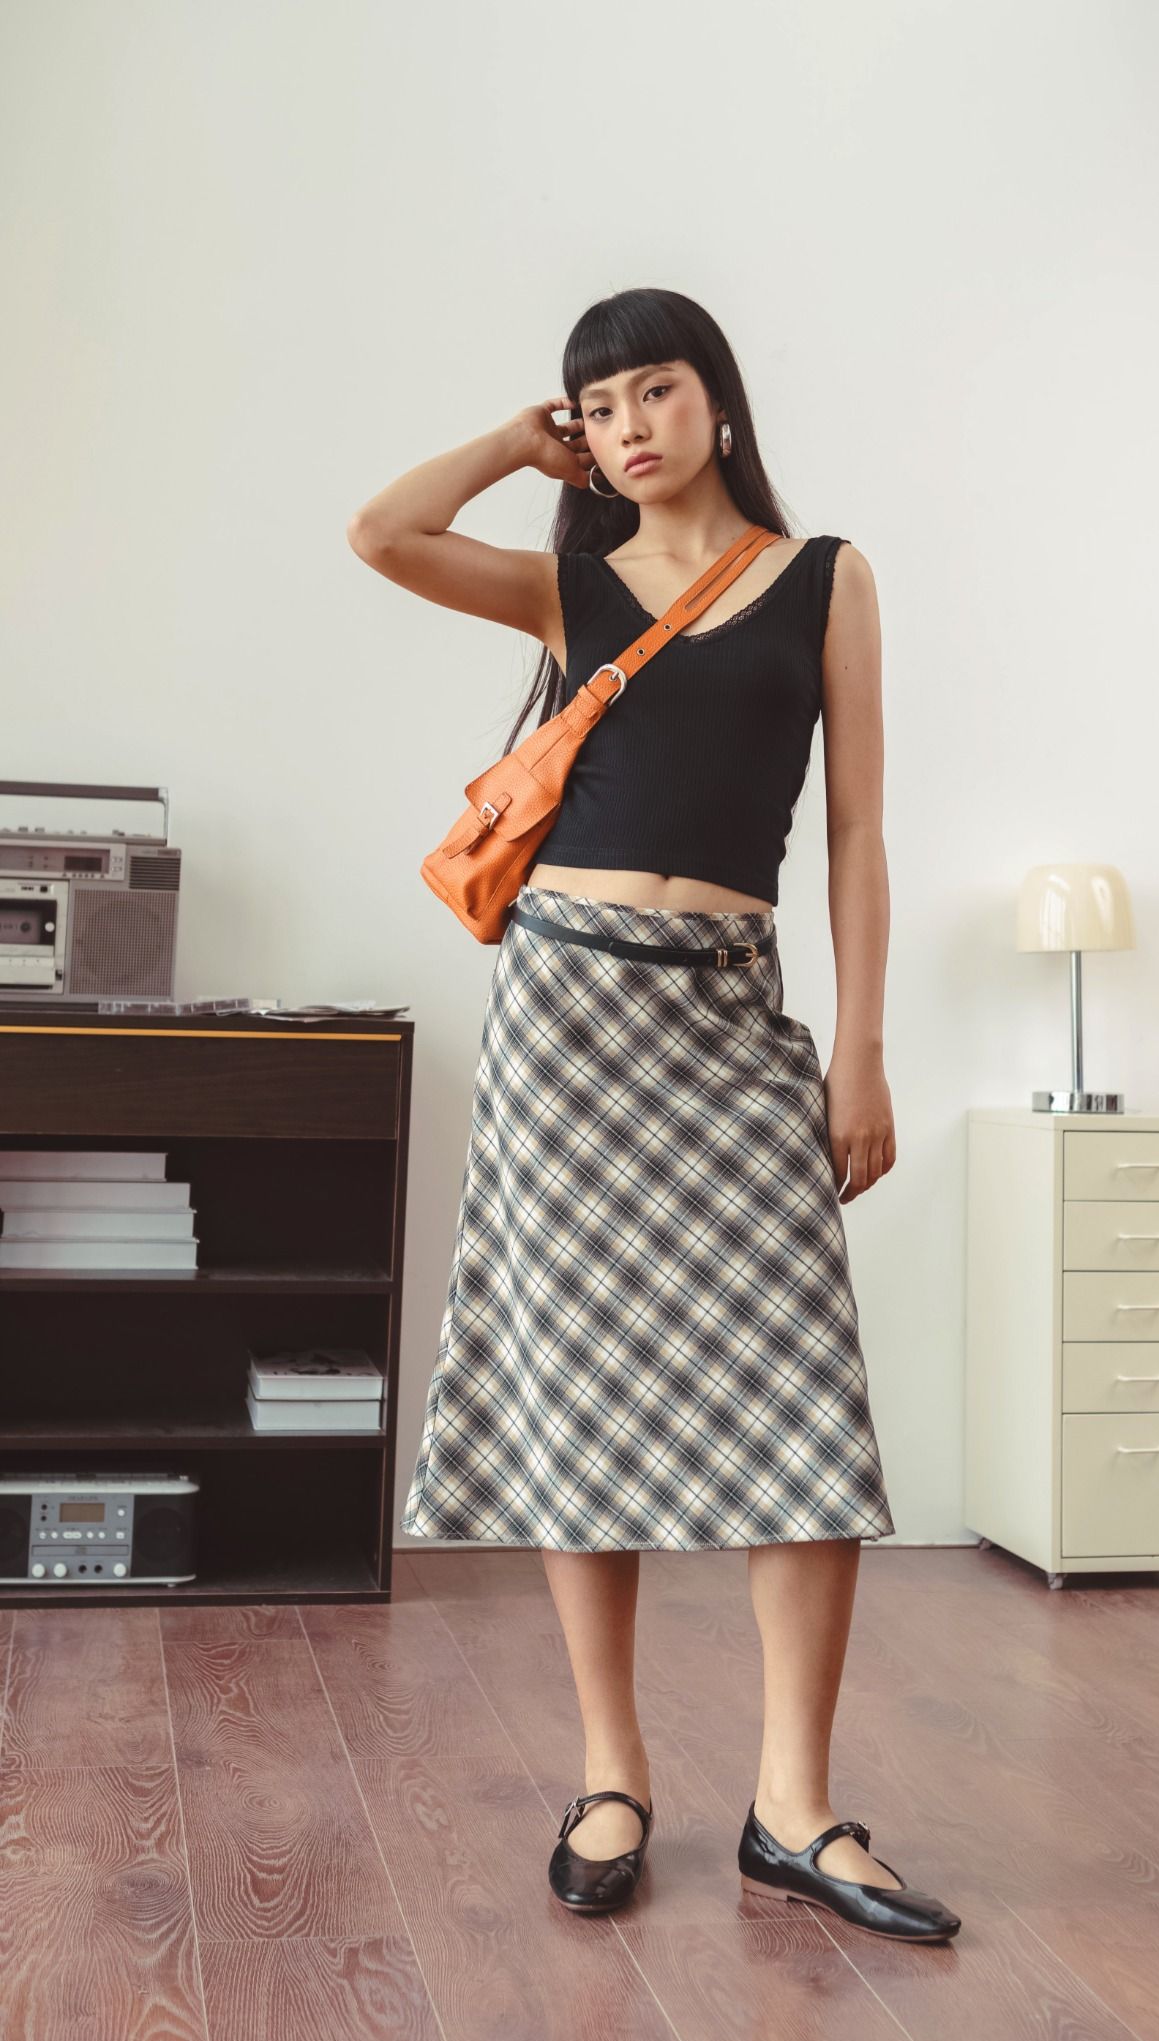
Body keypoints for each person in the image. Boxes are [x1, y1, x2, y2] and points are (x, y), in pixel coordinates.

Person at [347, 287, 961, 1944]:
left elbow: (852, 837)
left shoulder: (826, 578)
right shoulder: (567, 578)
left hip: (729, 1010)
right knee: (574, 1383)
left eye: (654, 390)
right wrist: (503, 443)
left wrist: (862, 1049)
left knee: (800, 1392)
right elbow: (379, 533)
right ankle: (611, 1772)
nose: (626, 424)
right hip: (566, 1005)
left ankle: (793, 1805)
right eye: (596, 404)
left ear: (718, 401)